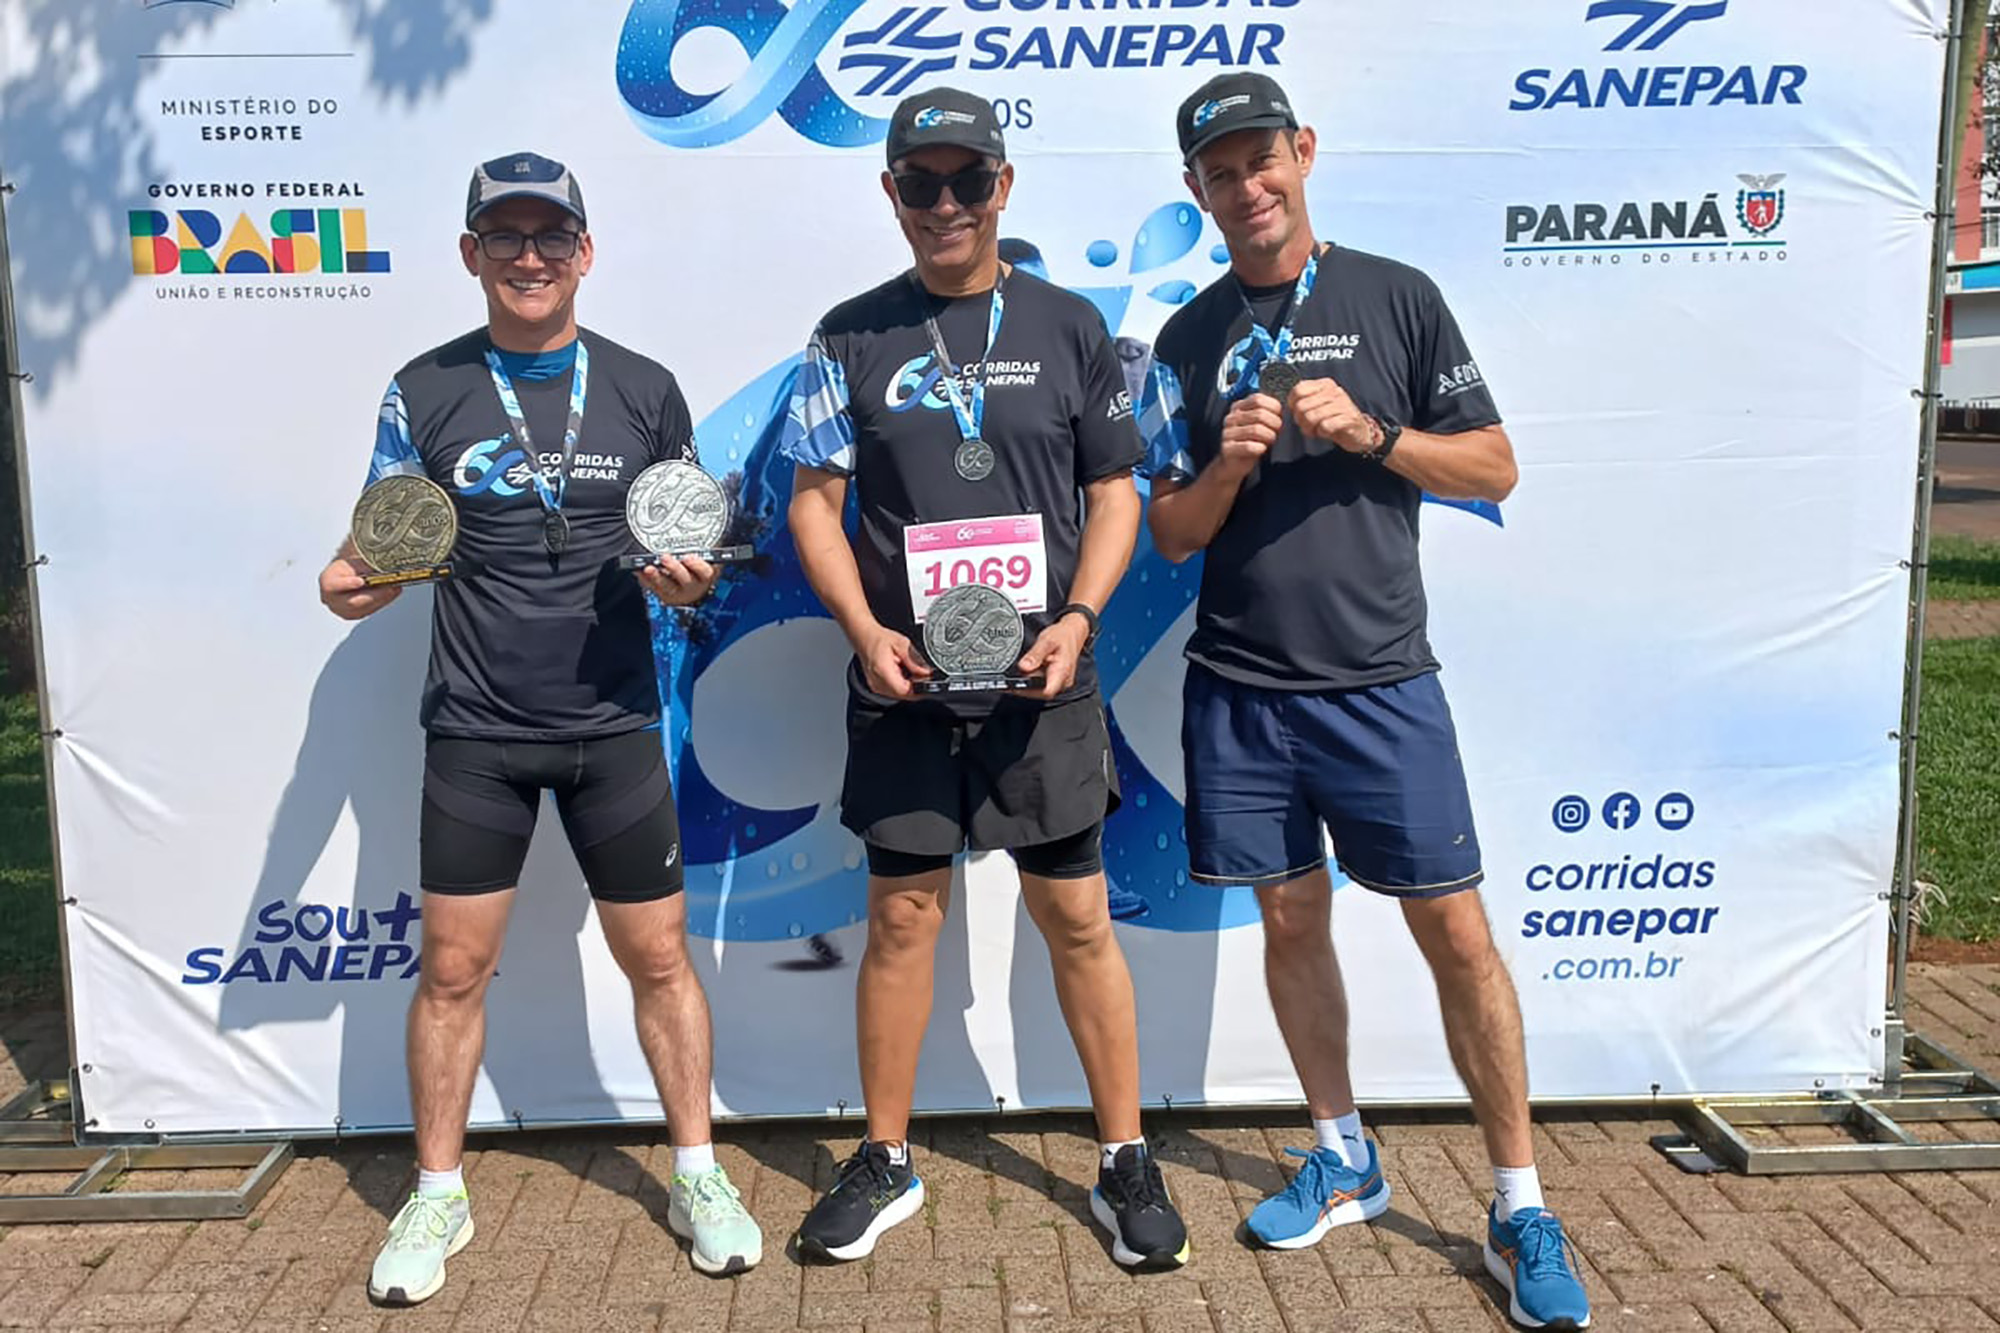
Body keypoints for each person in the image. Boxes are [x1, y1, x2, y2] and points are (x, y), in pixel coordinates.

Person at [1139, 75, 1591, 1331]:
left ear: (1303, 154)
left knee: (1455, 937)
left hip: (1380, 685)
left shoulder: (1394, 295)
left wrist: (1375, 436)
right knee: (1290, 923)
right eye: (1220, 172)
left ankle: (1517, 1203)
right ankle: (1341, 1152)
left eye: (1261, 159)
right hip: (1238, 689)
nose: (1247, 187)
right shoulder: (1184, 341)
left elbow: (1492, 465)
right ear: (1197, 191)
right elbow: (1169, 538)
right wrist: (1226, 465)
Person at [317, 151, 761, 1303]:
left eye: (549, 236)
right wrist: (357, 581)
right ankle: (437, 1191)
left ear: (584, 250)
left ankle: (696, 1172)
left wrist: (686, 581)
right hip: (475, 730)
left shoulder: (644, 385)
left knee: (659, 958)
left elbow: (691, 545)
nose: (528, 257)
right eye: (504, 237)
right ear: (470, 253)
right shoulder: (422, 390)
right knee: (455, 970)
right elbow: (372, 548)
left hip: (616, 722)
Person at [780, 88, 1187, 1271]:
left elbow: (1115, 494)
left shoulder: (1070, 330)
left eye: (967, 180)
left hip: (1040, 683)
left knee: (1075, 917)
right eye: (921, 183)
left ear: (1002, 187)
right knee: (901, 919)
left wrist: (1076, 617)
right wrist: (861, 626)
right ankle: (887, 1157)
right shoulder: (847, 334)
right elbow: (814, 499)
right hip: (902, 680)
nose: (944, 203)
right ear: (891, 193)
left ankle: (1122, 1158)